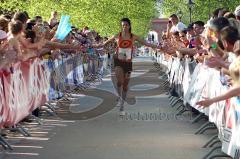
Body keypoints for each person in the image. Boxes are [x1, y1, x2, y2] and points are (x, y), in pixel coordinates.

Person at [94, 18, 161, 115]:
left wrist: (159, 47)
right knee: (120, 81)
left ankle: (122, 103)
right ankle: (119, 98)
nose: (124, 27)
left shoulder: (133, 36)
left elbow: (146, 43)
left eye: (126, 25)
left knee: (125, 85)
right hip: (118, 61)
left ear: (129, 26)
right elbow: (105, 43)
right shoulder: (117, 36)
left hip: (128, 63)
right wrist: (96, 46)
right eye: (122, 25)